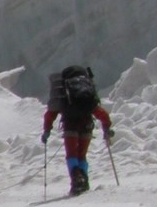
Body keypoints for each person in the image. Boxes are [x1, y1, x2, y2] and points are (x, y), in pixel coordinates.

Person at [43, 65, 114, 196]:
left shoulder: (64, 93)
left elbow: (51, 113)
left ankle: (76, 180)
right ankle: (84, 180)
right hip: (86, 125)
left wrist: (47, 130)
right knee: (82, 155)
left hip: (70, 125)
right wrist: (106, 126)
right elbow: (100, 112)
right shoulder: (87, 93)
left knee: (71, 155)